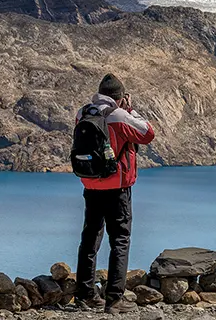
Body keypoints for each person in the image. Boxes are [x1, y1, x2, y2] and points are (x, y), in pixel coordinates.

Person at [74, 73, 155, 314]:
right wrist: (130, 110)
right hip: (117, 188)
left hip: (90, 185)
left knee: (89, 240)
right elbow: (148, 133)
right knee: (119, 240)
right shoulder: (119, 115)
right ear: (120, 97)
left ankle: (85, 294)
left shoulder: (83, 113)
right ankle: (114, 299)